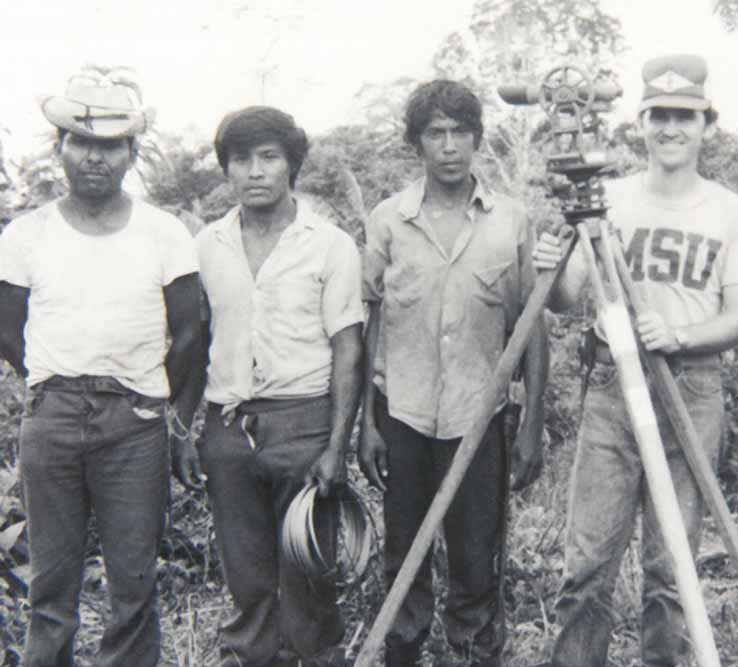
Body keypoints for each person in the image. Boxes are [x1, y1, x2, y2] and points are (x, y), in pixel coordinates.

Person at [533, 54, 738, 666]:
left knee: (672, 570)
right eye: (660, 115)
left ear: (706, 126)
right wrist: (549, 264)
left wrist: (682, 334)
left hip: (690, 388)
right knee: (587, 565)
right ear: (640, 122)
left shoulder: (731, 211)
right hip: (614, 386)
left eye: (685, 117)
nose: (671, 129)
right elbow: (563, 301)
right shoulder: (607, 196)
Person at [0, 66, 203, 667]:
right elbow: (8, 326)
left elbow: (191, 332)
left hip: (134, 424)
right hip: (52, 420)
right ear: (60, 147)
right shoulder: (25, 233)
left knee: (133, 584)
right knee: (51, 588)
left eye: (110, 145)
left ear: (131, 153)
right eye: (81, 142)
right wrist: (51, 384)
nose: (95, 157)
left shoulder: (163, 233)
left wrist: (160, 410)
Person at [359, 79, 547, 666]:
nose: (449, 146)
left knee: (475, 558)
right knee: (403, 556)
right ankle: (403, 651)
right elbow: (371, 324)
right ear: (417, 143)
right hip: (405, 415)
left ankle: (472, 654)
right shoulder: (389, 221)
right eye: (435, 133)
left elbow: (532, 326)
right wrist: (369, 423)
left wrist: (533, 423)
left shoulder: (510, 221)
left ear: (477, 139)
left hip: (479, 417)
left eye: (460, 132)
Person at [195, 106, 364, 667]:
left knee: (307, 568)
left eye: (269, 157)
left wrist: (337, 446)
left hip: (304, 422)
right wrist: (190, 428)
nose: (255, 172)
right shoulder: (207, 245)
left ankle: (317, 658)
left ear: (292, 164)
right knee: (245, 571)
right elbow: (196, 337)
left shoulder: (330, 244)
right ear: (227, 170)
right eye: (241, 159)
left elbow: (347, 346)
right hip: (228, 423)